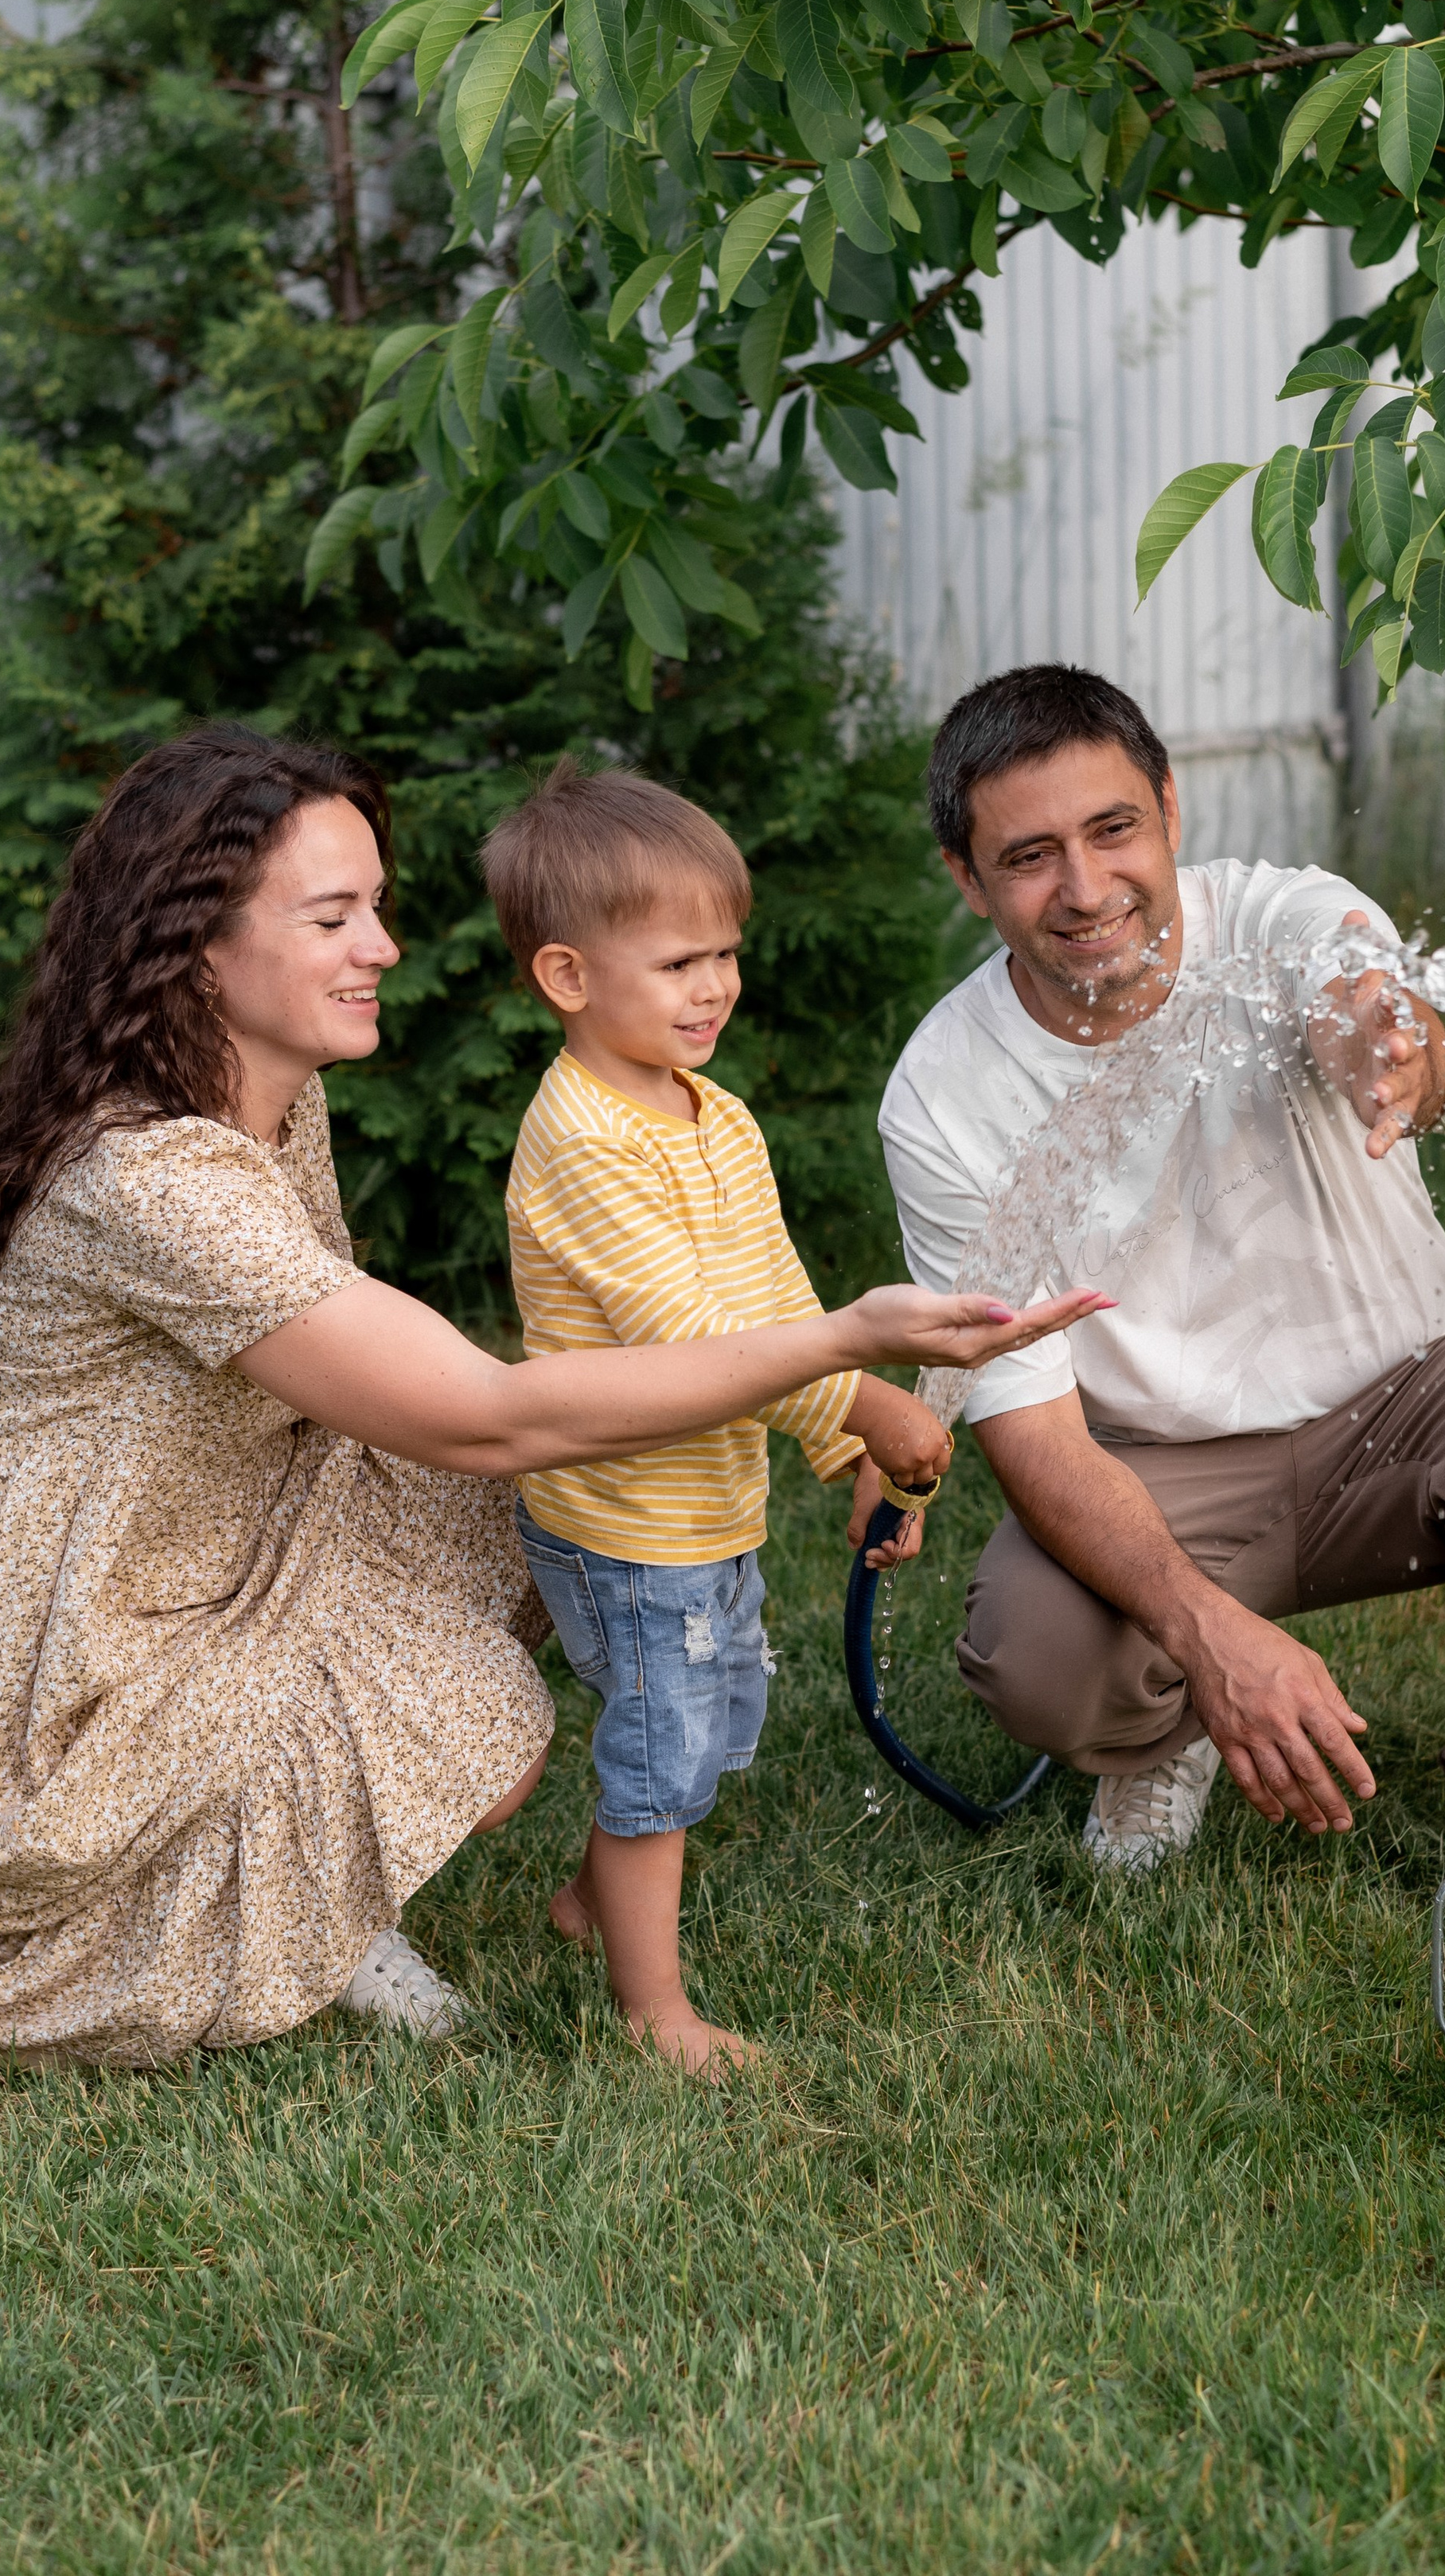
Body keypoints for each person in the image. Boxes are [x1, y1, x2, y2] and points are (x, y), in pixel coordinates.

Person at [0, 729, 1100, 2068]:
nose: (383, 948)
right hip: (28, 1665)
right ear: (195, 942)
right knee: (494, 1679)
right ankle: (261, 1904)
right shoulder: (156, 1181)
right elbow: (488, 1413)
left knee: (531, 1509)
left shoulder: (270, 1106)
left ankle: (292, 1863)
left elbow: (489, 1402)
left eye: (378, 908)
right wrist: (845, 1348)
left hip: (178, 1547)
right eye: (332, 916)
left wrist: (840, 1406)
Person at [877, 664, 1445, 1880]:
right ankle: (1166, 1732)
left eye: (1114, 829)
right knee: (1031, 1645)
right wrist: (1211, 1637)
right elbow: (1032, 1439)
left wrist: (1389, 1050)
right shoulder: (942, 1094)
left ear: (1172, 810)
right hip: (1164, 1473)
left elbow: (1363, 996)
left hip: (1407, 1418)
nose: (1086, 889)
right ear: (965, 879)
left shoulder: (1282, 916)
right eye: (1029, 856)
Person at [485, 761, 956, 2075]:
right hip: (629, 1523)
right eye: (681, 959)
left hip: (703, 1508)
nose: (715, 986)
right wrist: (863, 1388)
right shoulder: (582, 1142)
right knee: (660, 1748)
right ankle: (654, 2015)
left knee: (700, 1716)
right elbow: (691, 1340)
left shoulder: (712, 1113)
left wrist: (844, 1438)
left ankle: (588, 1908)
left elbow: (774, 1297)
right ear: (570, 978)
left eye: (727, 955)